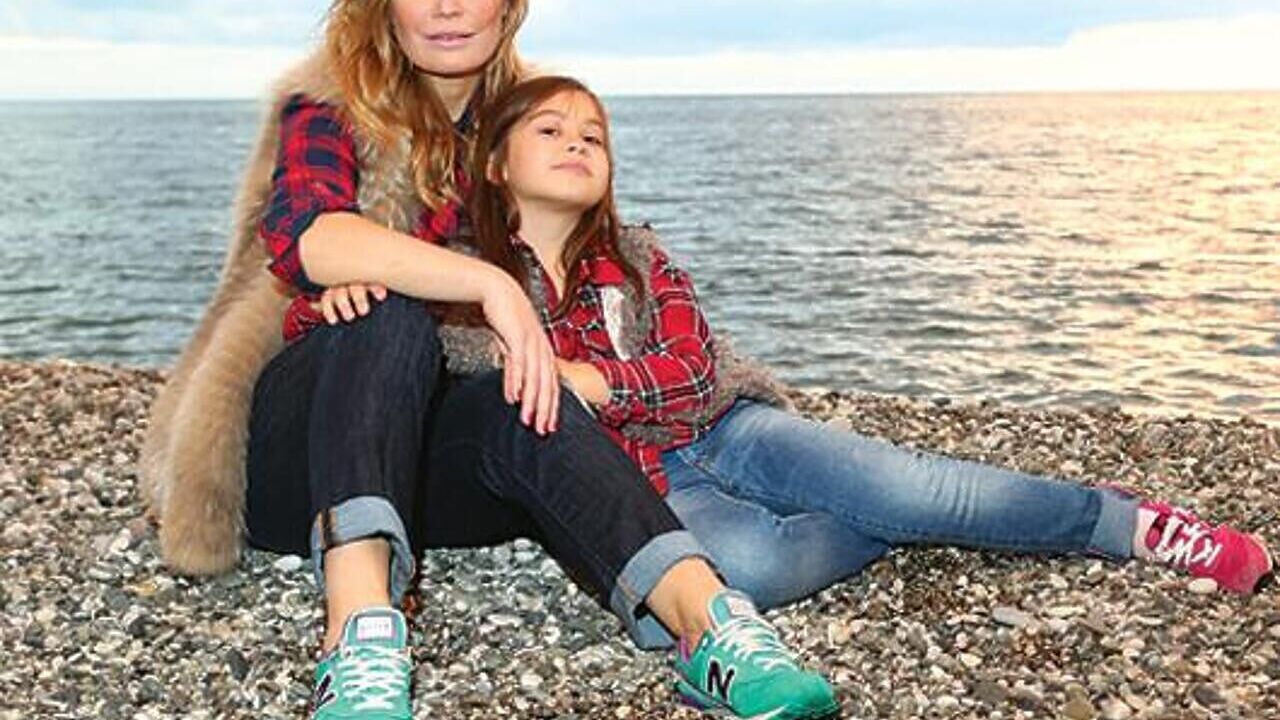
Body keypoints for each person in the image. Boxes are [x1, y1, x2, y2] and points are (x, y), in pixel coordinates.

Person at [402, 74, 1270, 656]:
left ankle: (1125, 523)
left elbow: (694, 372)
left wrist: (595, 381)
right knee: (750, 572)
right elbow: (490, 398)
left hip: (728, 431)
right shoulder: (466, 283)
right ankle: (890, 519)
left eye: (594, 135)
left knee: (923, 486)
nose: (578, 144)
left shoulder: (637, 255)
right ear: (495, 162)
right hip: (645, 484)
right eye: (551, 129)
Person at [140, 3, 838, 720]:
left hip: (432, 469)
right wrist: (485, 284)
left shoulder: (530, 123)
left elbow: (587, 272)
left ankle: (711, 628)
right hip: (297, 462)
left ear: (507, 8)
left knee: (523, 388)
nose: (447, 7)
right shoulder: (327, 107)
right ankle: (359, 638)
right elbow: (307, 235)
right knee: (386, 310)